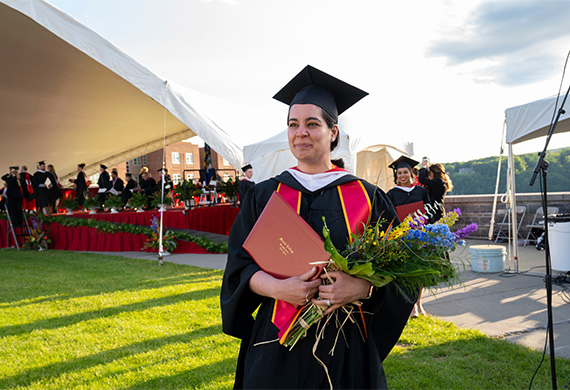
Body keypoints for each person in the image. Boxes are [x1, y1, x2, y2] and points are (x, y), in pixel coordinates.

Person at [221, 65, 414, 389]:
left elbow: (404, 276)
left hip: (344, 345)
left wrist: (363, 289)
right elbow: (239, 266)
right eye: (293, 124)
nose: (301, 133)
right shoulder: (265, 195)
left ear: (333, 132)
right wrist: (278, 288)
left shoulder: (368, 197)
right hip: (275, 342)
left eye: (312, 124)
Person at [387, 156, 432, 318]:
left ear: (411, 174)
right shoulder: (391, 194)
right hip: (402, 238)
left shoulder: (421, 191)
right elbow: (389, 217)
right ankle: (410, 305)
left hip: (420, 236)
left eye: (405, 172)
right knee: (407, 272)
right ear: (396, 176)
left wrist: (428, 229)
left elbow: (429, 212)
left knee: (419, 272)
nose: (402, 175)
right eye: (399, 173)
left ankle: (419, 302)